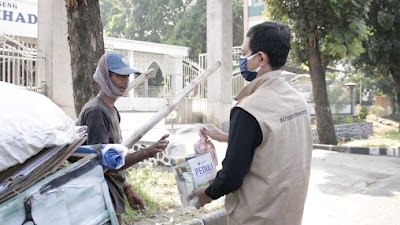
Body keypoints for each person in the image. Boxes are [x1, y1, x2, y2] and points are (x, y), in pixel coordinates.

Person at [188, 21, 313, 225]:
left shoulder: (249, 109)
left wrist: (208, 193)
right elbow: (276, 141)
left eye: (245, 54)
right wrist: (228, 137)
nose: (242, 60)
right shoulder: (297, 100)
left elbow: (232, 174)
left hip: (257, 216)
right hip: (290, 212)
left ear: (261, 58)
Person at [76, 52, 169, 224]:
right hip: (99, 202)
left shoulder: (111, 110)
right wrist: (146, 152)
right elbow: (100, 165)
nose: (125, 81)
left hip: (111, 197)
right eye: (119, 76)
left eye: (127, 76)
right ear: (105, 75)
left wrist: (127, 188)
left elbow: (113, 163)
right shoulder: (96, 112)